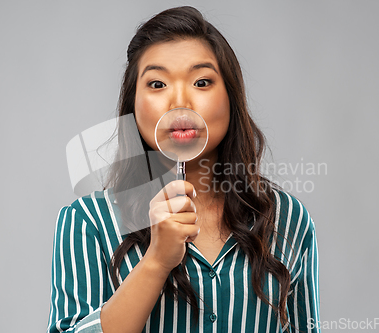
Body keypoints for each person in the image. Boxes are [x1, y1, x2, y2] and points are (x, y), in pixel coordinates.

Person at [47, 6, 319, 333]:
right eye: (158, 84)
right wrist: (156, 261)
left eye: (201, 82)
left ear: (231, 98)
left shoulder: (288, 220)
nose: (179, 101)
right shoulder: (88, 222)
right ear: (133, 104)